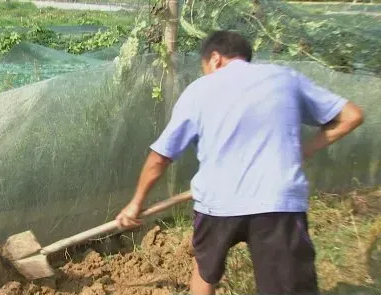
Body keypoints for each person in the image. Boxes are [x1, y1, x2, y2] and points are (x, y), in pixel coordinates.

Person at [115, 30, 364, 295]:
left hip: (216, 203)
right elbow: (351, 116)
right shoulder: (285, 79)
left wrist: (135, 205)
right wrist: (301, 151)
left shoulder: (200, 90)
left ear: (215, 58)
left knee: (204, 271)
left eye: (204, 68)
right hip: (278, 203)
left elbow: (160, 157)